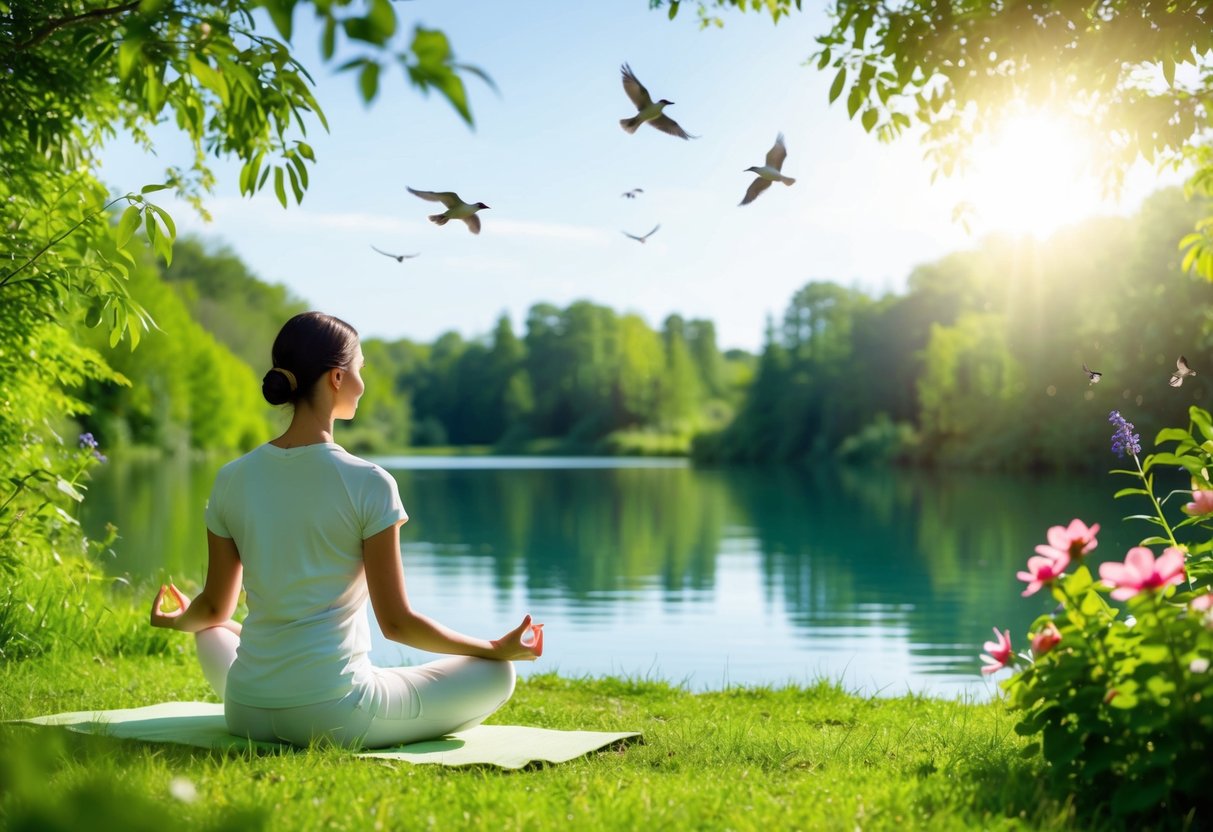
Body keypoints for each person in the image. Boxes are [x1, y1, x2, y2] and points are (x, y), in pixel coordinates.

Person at [149, 311, 541, 749]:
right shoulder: (370, 482)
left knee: (212, 630)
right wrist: (493, 648)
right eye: (359, 370)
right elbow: (397, 623)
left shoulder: (232, 478)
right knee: (495, 674)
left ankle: (283, 691)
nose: (363, 383)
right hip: (337, 714)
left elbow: (214, 610)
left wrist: (180, 618)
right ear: (337, 377)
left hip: (246, 710)